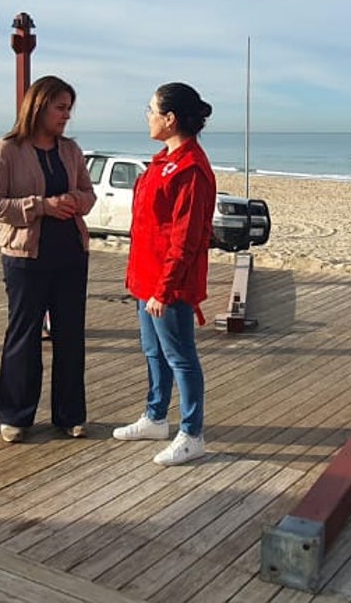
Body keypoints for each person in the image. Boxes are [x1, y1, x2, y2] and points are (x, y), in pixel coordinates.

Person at [0, 76, 96, 443]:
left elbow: (89, 195)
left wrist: (74, 201)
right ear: (39, 106)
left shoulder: (71, 150)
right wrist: (42, 206)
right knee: (24, 335)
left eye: (68, 109)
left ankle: (70, 415)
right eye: (60, 108)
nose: (66, 116)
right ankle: (16, 416)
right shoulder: (6, 149)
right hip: (25, 257)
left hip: (71, 255)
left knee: (70, 335)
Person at [113, 82, 215, 466]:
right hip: (145, 278)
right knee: (153, 351)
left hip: (168, 286)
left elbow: (186, 239)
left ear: (170, 119)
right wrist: (139, 281)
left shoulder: (191, 169)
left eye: (151, 109)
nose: (147, 115)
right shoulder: (162, 159)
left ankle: (192, 432)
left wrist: (164, 288)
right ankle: (156, 416)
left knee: (180, 356)